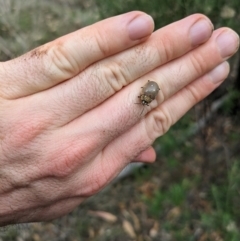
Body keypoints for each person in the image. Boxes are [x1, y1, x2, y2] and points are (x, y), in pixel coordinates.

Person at [0, 11, 239, 226]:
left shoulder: (147, 96)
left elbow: (147, 94)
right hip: (147, 94)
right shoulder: (146, 97)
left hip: (148, 93)